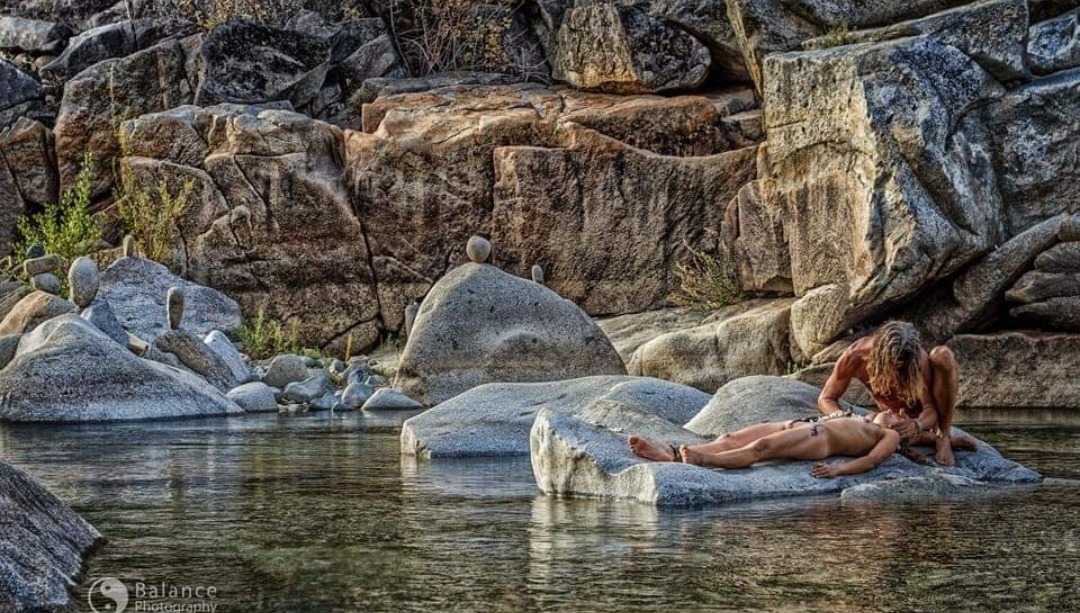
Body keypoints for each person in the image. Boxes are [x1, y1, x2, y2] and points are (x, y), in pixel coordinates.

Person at [818, 321, 972, 466]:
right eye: (892, 364)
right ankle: (930, 439)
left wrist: (918, 424)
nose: (896, 371)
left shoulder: (917, 359)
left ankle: (943, 435)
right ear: (879, 354)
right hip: (894, 419)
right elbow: (826, 398)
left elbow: (930, 408)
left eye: (902, 366)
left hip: (927, 419)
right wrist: (845, 420)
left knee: (942, 354)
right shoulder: (854, 356)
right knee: (873, 427)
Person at [627, 412, 901, 478]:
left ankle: (700, 461)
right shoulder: (863, 416)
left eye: (901, 415)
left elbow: (873, 461)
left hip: (819, 438)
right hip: (799, 424)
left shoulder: (890, 434)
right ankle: (671, 453)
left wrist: (838, 471)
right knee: (729, 438)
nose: (895, 411)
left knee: (761, 447)